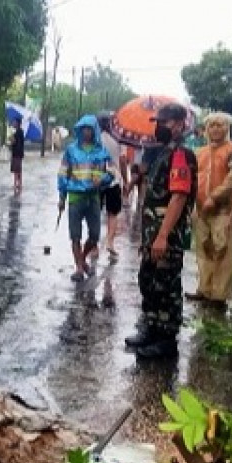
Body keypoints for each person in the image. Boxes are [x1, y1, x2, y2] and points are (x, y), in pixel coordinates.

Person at [124, 103, 197, 359]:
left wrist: (163, 235)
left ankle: (166, 340)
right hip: (152, 234)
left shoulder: (181, 155)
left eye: (164, 122)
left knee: (166, 285)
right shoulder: (163, 153)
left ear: (179, 124)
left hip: (167, 235)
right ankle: (152, 329)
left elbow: (178, 197)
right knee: (149, 281)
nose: (159, 127)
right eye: (158, 122)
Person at [187, 113, 232, 310]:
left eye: (220, 125)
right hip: (201, 210)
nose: (215, 129)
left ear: (227, 128)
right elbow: (193, 178)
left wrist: (215, 197)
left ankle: (219, 296)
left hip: (223, 210)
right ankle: (204, 289)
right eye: (211, 126)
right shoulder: (200, 152)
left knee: (223, 252)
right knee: (204, 250)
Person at [57, 114, 113, 281]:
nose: (86, 132)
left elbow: (111, 172)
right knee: (75, 235)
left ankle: (81, 259)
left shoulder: (101, 151)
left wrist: (102, 180)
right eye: (83, 129)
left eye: (89, 129)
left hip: (93, 198)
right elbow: (62, 174)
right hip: (75, 197)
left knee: (94, 235)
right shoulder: (71, 150)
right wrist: (62, 197)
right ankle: (79, 268)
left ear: (94, 130)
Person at [97, 112, 129, 261]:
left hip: (96, 180)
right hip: (114, 180)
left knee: (95, 213)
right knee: (113, 213)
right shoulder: (119, 139)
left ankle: (93, 245)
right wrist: (126, 180)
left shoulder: (95, 138)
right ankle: (110, 242)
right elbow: (123, 161)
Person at [9, 117, 26, 195]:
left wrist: (11, 138)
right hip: (18, 153)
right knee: (18, 169)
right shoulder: (20, 132)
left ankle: (16, 184)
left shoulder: (18, 132)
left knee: (16, 169)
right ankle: (19, 184)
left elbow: (14, 142)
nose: (13, 123)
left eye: (14, 122)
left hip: (17, 153)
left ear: (18, 123)